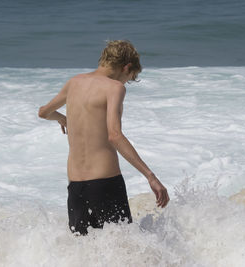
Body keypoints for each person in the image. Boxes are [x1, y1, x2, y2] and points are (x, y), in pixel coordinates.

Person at [38, 40, 170, 235]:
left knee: (85, 255)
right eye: (129, 78)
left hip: (76, 188)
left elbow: (43, 112)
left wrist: (63, 119)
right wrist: (151, 176)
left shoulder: (74, 82)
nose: (126, 83)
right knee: (122, 253)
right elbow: (114, 135)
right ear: (126, 67)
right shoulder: (114, 88)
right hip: (105, 185)